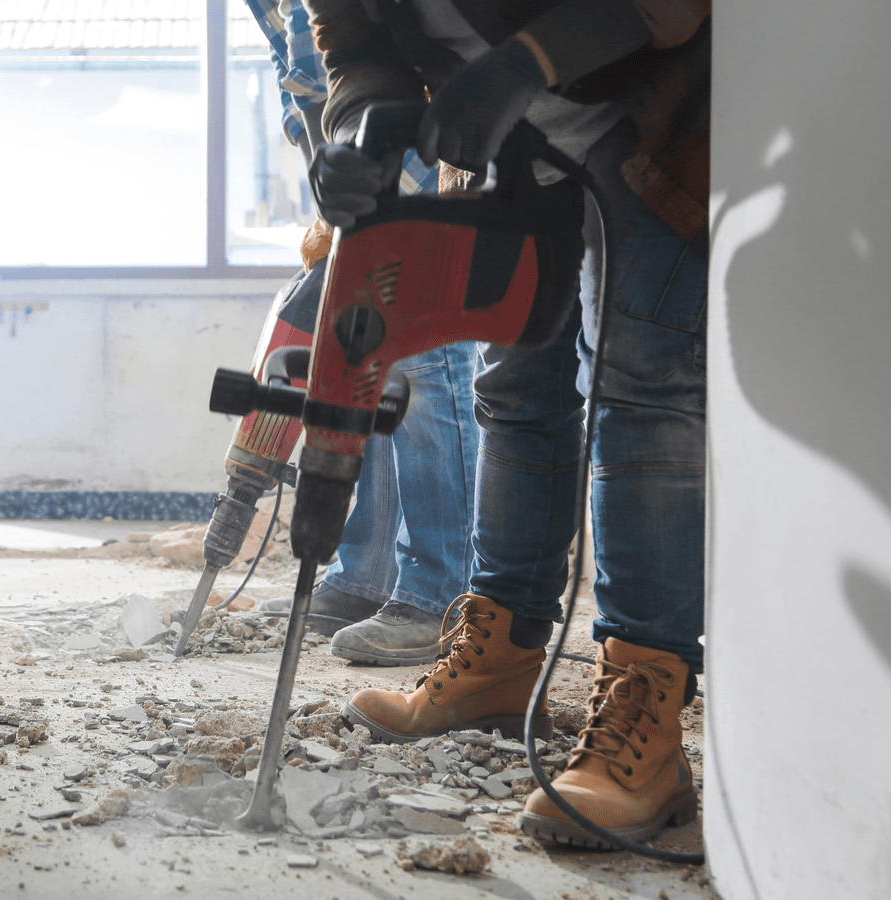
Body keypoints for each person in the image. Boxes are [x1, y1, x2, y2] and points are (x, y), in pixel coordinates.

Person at [303, 0, 710, 847]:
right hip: (510, 147)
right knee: (513, 387)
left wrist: (526, 59)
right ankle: (501, 655)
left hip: (659, 116)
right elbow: (355, 48)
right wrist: (348, 134)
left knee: (643, 389)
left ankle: (646, 718)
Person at [245, 0, 484, 667]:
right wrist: (331, 169)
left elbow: (415, 46)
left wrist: (385, 184)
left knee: (429, 358)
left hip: (440, 128)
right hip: (357, 136)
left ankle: (442, 591)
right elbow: (298, 66)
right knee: (367, 349)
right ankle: (365, 576)